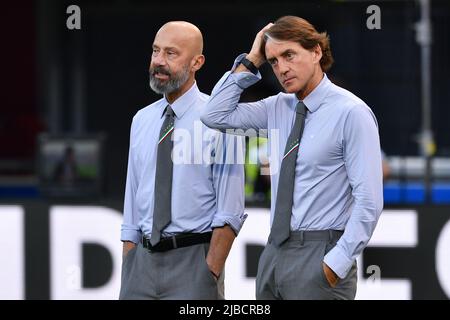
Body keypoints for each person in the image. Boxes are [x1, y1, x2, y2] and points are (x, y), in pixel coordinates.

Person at [201, 16, 383, 299]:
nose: (281, 68)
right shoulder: (278, 107)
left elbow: (369, 200)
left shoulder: (352, 112)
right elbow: (213, 115)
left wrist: (336, 263)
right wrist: (252, 60)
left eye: (289, 55)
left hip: (321, 252)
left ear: (316, 52)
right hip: (274, 252)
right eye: (273, 61)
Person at [119, 21, 246, 300]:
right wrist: (129, 265)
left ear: (196, 62)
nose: (159, 62)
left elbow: (230, 211)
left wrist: (209, 272)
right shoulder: (141, 120)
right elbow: (132, 202)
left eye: (171, 54)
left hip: (193, 263)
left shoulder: (224, 120)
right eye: (155, 51)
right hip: (140, 264)